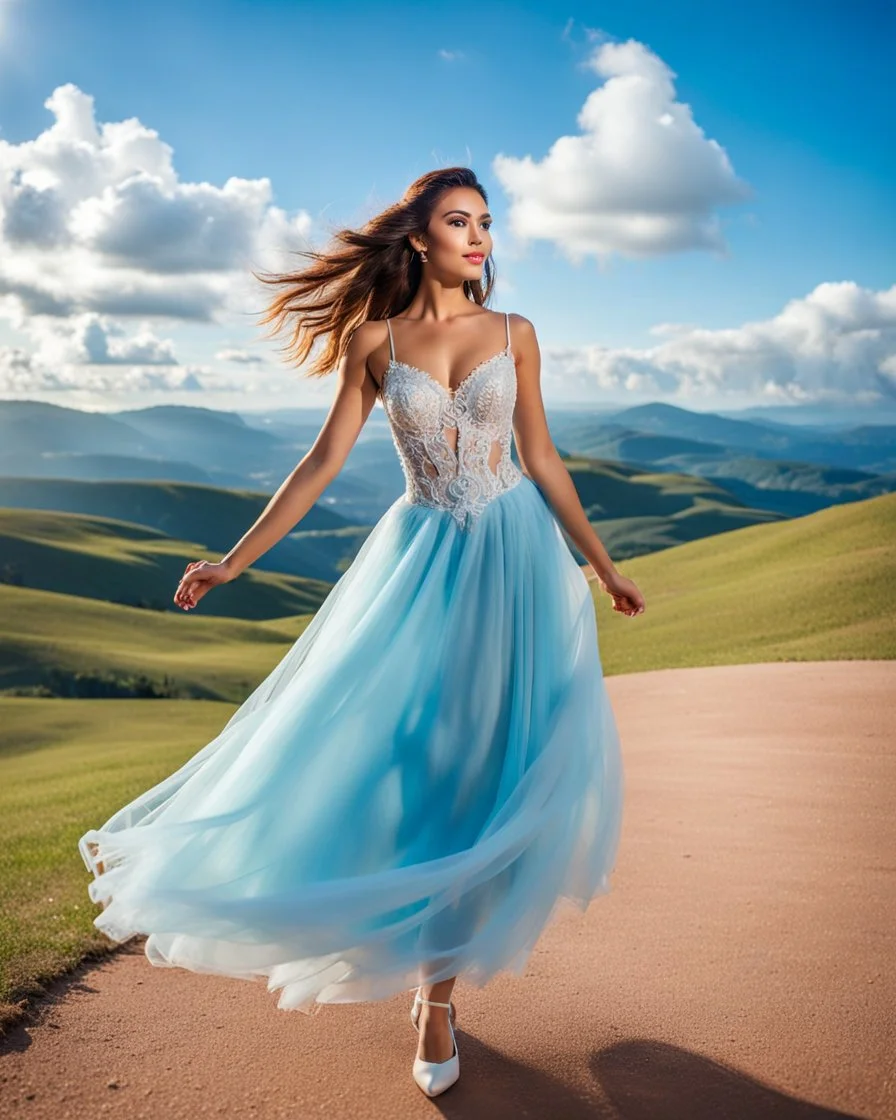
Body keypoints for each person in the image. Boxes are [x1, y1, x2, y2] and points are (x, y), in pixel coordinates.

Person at [78, 166, 645, 1099]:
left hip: (516, 562)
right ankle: (404, 952)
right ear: (419, 237)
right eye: (458, 222)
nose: (477, 237)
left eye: (486, 223)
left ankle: (437, 993)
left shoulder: (517, 334)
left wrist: (604, 564)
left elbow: (541, 456)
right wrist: (232, 562)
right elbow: (320, 464)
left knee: (484, 766)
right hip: (421, 565)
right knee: (413, 761)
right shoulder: (373, 341)